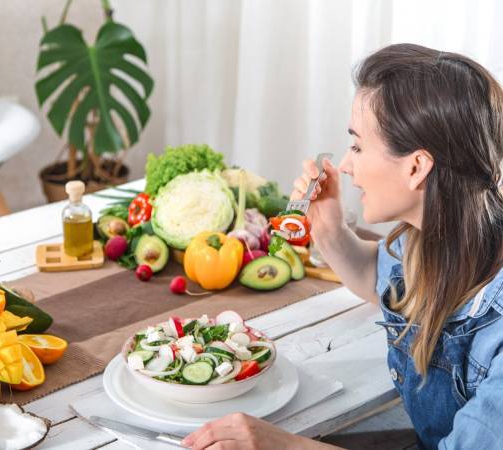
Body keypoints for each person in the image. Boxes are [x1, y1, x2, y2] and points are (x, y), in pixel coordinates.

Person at [182, 43, 503, 450]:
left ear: (417, 167)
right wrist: (330, 229)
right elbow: (379, 280)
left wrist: (283, 445)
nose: (347, 165)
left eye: (357, 145)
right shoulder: (440, 236)